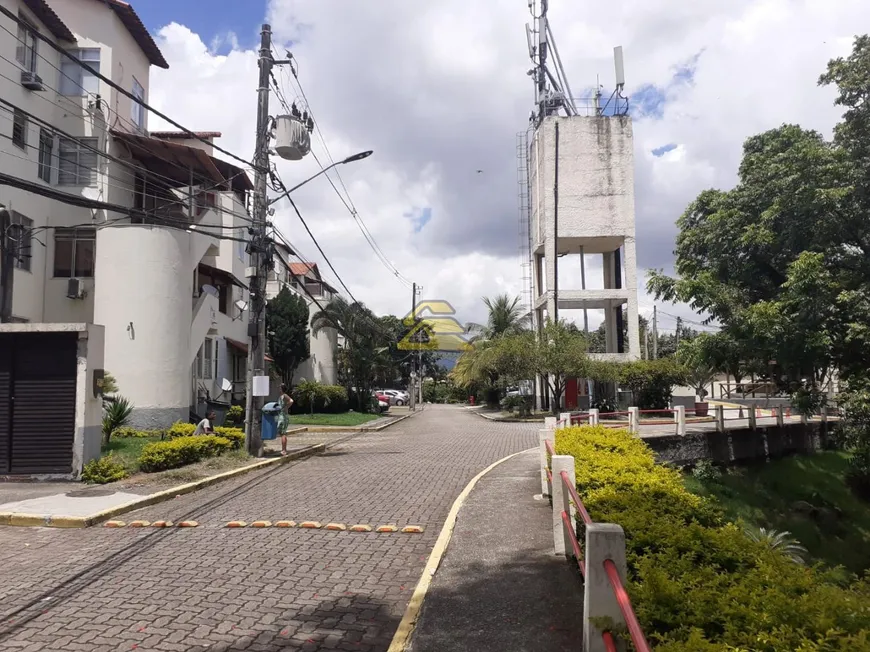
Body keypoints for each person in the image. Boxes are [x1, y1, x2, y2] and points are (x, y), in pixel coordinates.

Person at [277, 383, 294, 456]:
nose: (278, 389)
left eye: (280, 388)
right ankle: (283, 449)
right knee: (281, 433)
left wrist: (286, 407)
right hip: (280, 416)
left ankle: (284, 450)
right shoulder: (280, 397)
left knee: (283, 433)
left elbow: (291, 401)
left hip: (283, 416)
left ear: (282, 389)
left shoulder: (284, 395)